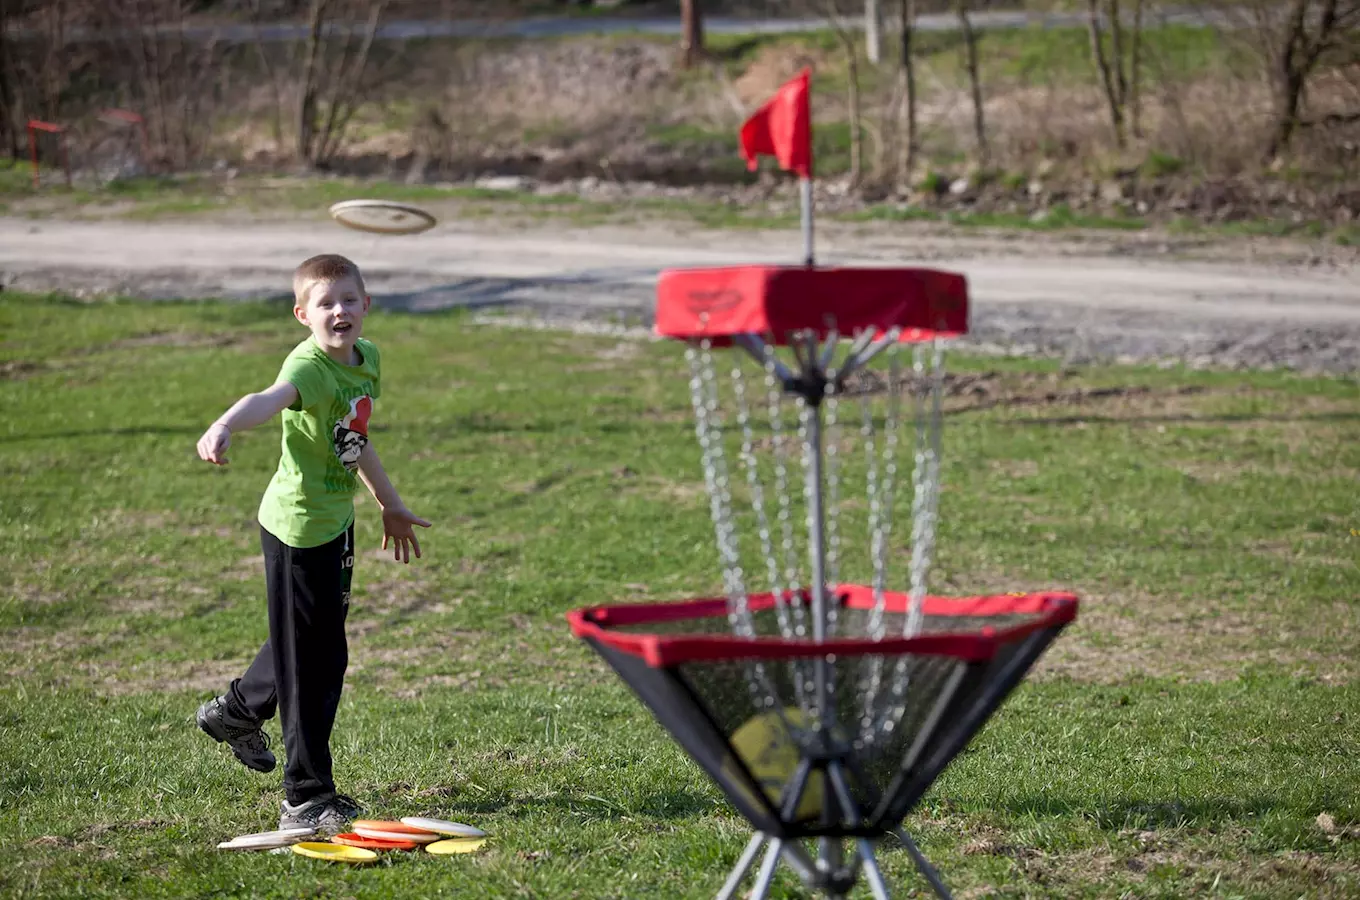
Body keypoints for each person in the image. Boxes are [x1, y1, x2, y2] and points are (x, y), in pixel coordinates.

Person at [193, 253, 431, 832]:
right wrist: (224, 424)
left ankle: (237, 712)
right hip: (297, 530)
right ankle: (304, 797)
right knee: (315, 663)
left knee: (316, 643)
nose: (339, 311)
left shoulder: (365, 360)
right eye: (325, 303)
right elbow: (266, 399)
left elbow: (353, 436)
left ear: (366, 305)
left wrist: (388, 502)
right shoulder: (307, 368)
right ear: (303, 314)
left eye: (349, 299)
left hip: (334, 522)